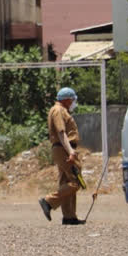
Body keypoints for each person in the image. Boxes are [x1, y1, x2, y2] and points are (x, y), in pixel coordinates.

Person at [39, 87, 85, 225]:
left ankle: (69, 216)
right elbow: (61, 133)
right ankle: (48, 201)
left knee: (66, 183)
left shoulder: (60, 110)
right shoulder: (58, 110)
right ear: (66, 99)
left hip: (62, 148)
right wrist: (71, 151)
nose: (73, 102)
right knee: (76, 182)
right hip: (63, 149)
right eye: (72, 100)